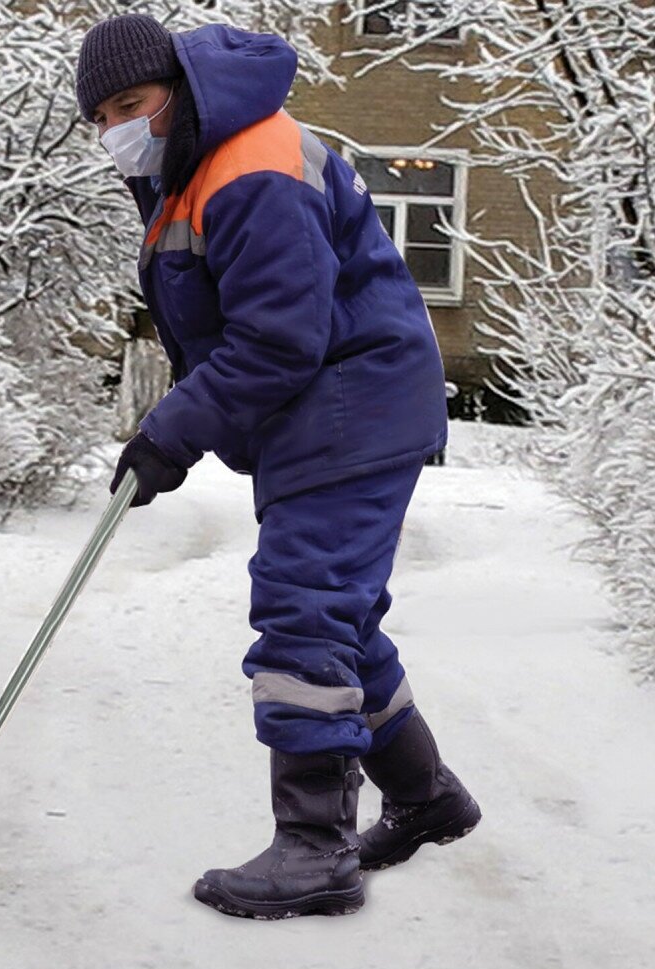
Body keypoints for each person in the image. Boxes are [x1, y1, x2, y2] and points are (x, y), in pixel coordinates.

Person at [75, 13, 481, 920]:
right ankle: (425, 797)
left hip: (354, 401)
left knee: (304, 606)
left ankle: (312, 851)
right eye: (99, 116)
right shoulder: (195, 166)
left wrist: (169, 435)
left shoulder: (249, 163)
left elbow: (278, 338)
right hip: (327, 410)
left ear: (177, 91)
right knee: (340, 614)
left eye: (129, 105)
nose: (115, 131)